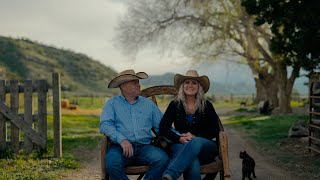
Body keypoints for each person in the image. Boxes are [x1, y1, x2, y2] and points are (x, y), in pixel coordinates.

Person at [100, 69, 169, 180]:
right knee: (112, 163)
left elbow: (161, 127)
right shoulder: (112, 103)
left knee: (162, 159)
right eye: (134, 83)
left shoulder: (148, 104)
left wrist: (178, 136)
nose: (139, 85)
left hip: (145, 147)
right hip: (120, 147)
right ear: (123, 86)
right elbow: (105, 125)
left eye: (138, 82)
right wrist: (122, 139)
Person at [159, 70, 220, 180]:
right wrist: (179, 138)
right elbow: (163, 127)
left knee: (195, 141)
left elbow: (215, 129)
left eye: (194, 83)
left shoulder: (207, 105)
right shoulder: (175, 105)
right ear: (182, 86)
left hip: (205, 147)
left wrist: (195, 136)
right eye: (187, 82)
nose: (190, 85)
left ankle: (170, 175)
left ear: (199, 87)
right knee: (192, 160)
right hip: (182, 145)